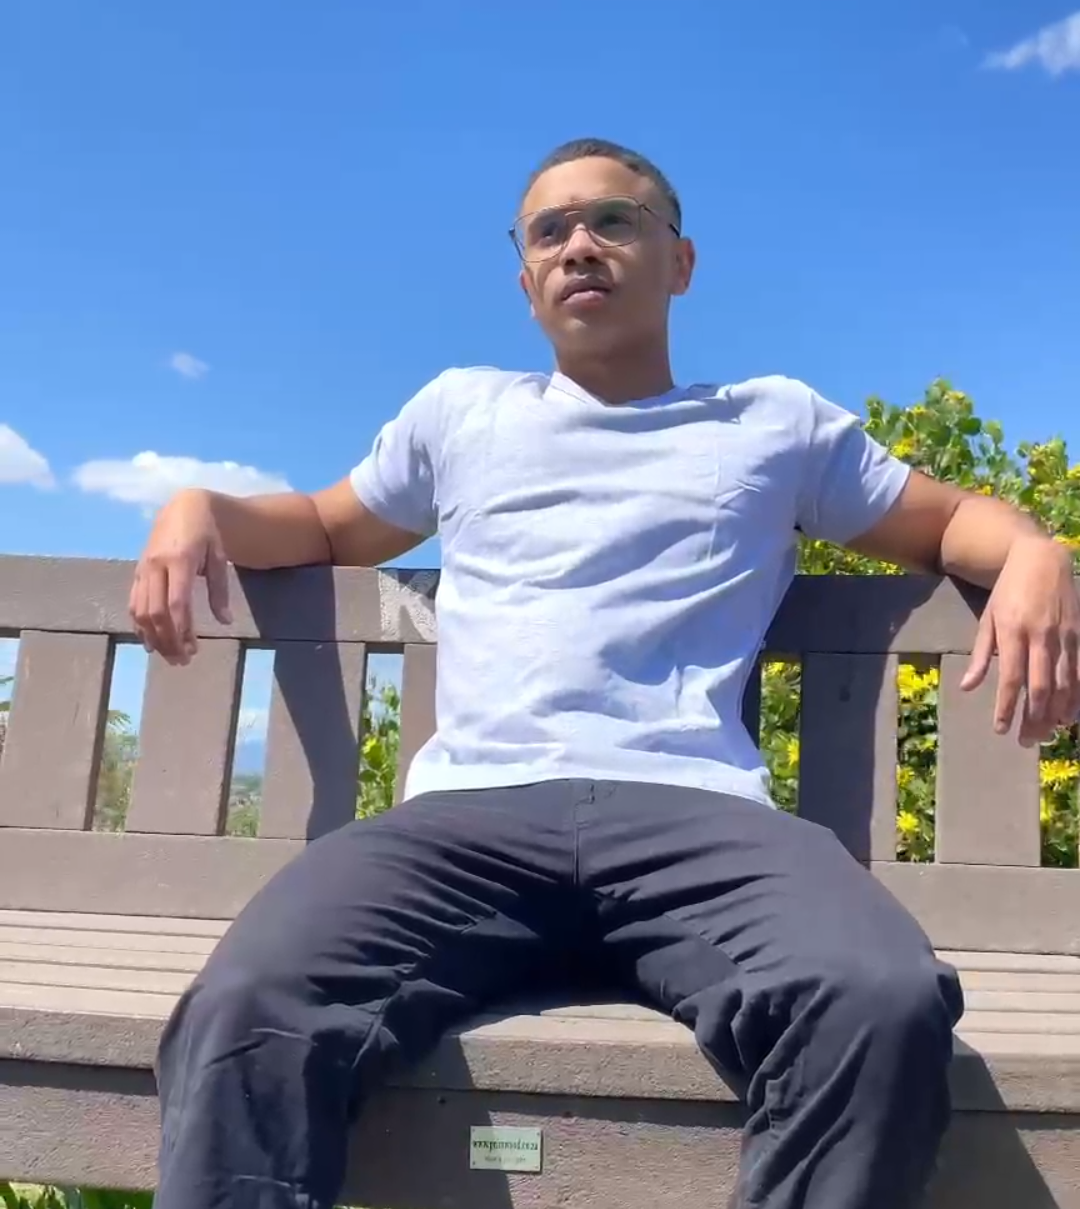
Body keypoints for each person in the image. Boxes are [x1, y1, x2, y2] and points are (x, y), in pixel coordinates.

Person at [134, 138, 1080, 1209]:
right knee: (248, 1007)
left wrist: (1038, 551)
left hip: (696, 821)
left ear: (679, 261)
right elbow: (319, 524)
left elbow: (953, 520)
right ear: (527, 281)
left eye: (614, 221)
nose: (580, 244)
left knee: (876, 996)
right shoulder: (461, 413)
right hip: (464, 826)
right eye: (551, 231)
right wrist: (197, 508)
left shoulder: (773, 424)